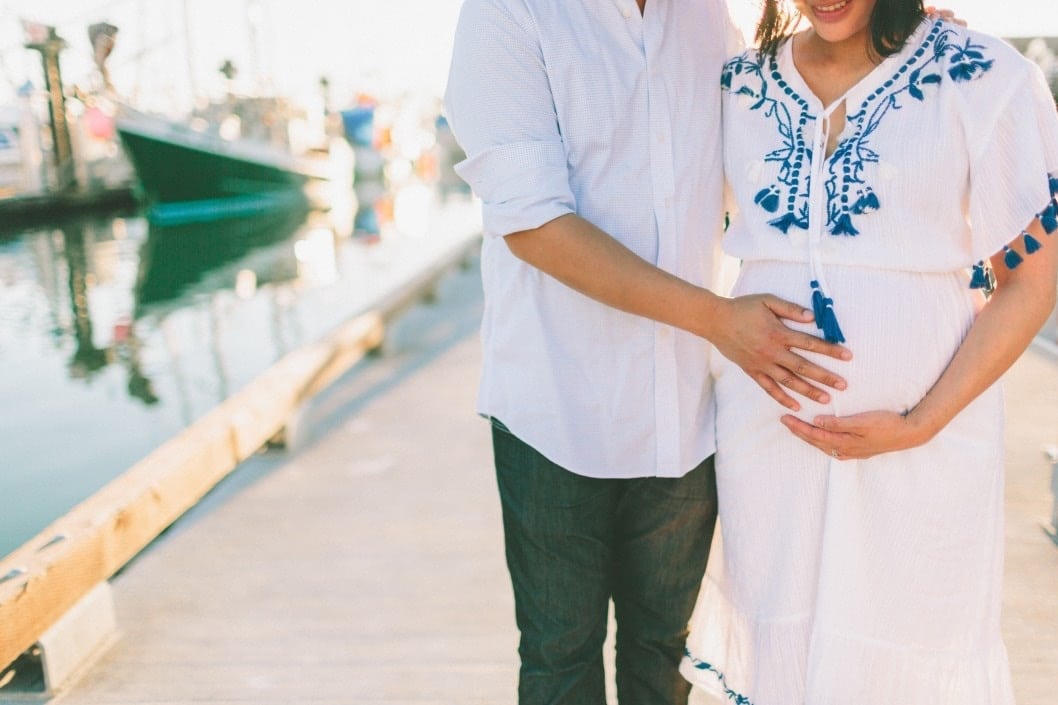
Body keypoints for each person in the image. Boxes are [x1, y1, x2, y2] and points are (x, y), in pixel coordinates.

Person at [443, 1, 854, 703]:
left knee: (666, 659)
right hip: (555, 406)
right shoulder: (507, 13)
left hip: (681, 411)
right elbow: (535, 224)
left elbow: (770, 142)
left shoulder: (702, 14)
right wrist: (720, 319)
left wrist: (895, 51)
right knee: (558, 658)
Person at [680, 0, 1058, 703]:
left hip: (930, 445)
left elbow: (1033, 281)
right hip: (772, 449)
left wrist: (921, 422)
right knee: (784, 667)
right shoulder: (737, 86)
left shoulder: (982, 77)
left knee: (911, 656)